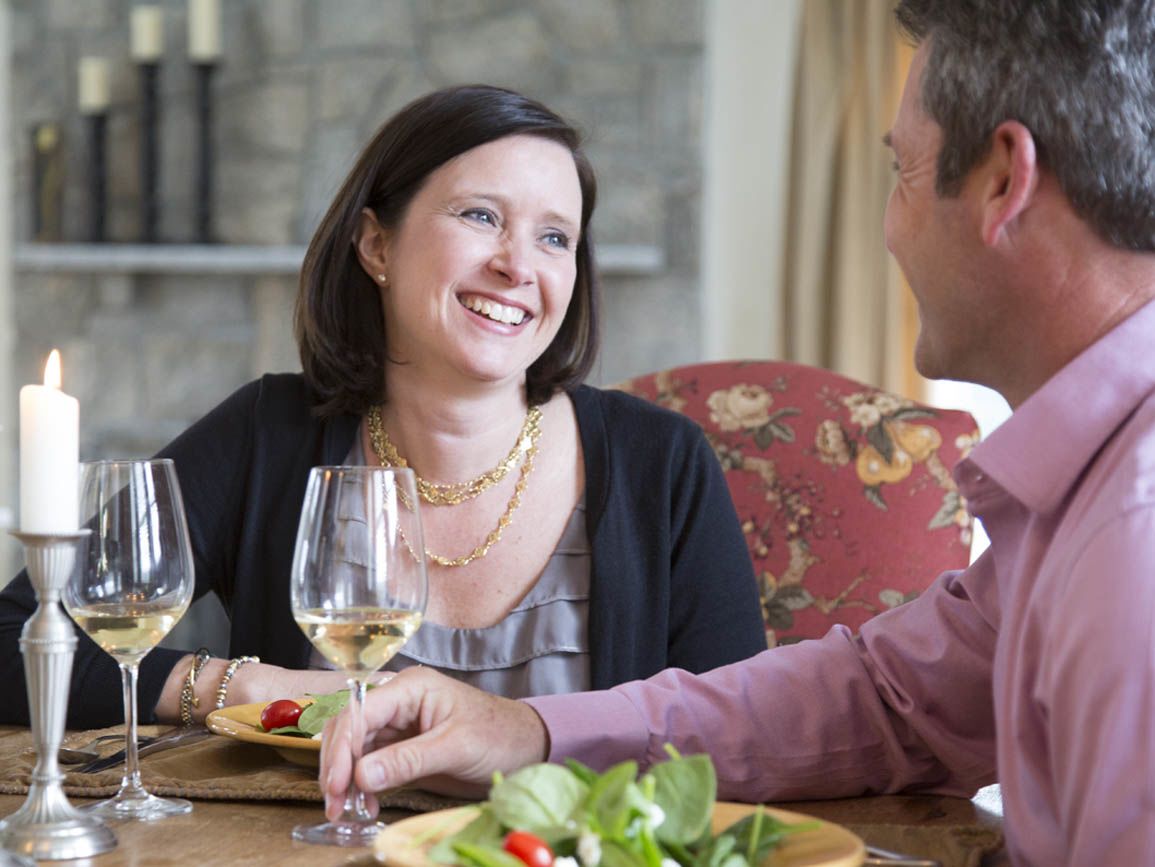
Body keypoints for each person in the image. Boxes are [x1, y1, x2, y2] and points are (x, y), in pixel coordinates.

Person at [319, 3, 1155, 864]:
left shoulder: (1133, 534)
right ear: (375, 247)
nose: (889, 229)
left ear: (1001, 182)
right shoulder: (1080, 498)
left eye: (900, 171)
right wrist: (528, 726)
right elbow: (883, 696)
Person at [0, 85, 766, 728]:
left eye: (555, 237)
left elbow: (736, 726)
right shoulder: (270, 433)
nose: (516, 266)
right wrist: (250, 686)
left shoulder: (660, 461)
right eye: (480, 216)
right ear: (375, 246)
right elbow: (11, 640)